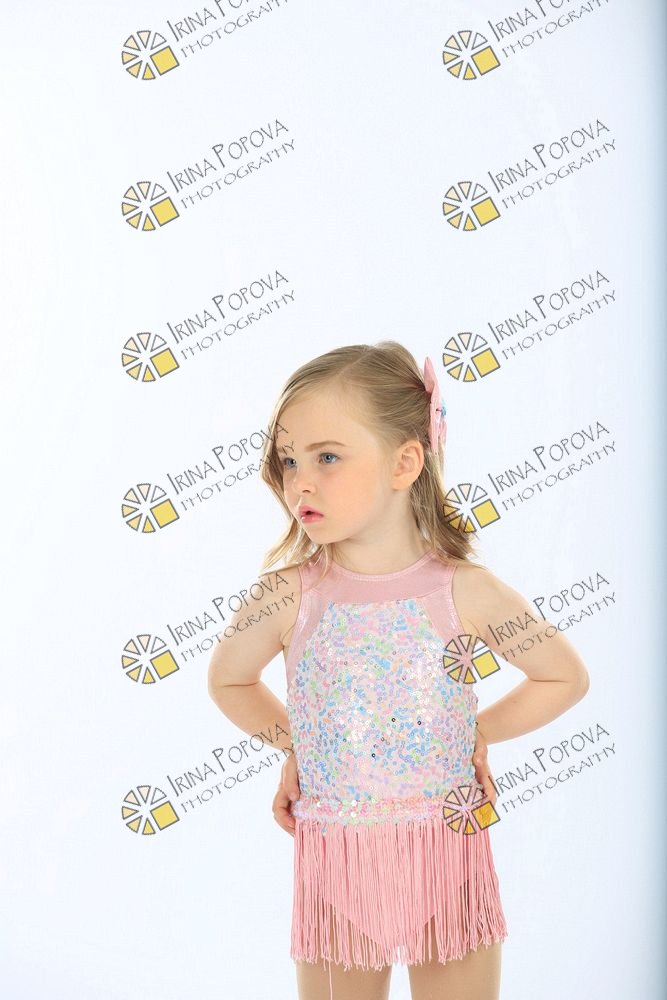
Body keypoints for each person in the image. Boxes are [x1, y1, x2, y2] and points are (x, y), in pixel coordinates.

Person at [208, 341, 590, 1000]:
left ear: (405, 462)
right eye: (289, 460)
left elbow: (562, 676)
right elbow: (229, 679)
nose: (300, 481)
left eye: (327, 457)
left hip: (446, 855)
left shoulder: (464, 590)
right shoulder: (288, 595)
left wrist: (472, 733)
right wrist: (301, 742)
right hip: (338, 860)